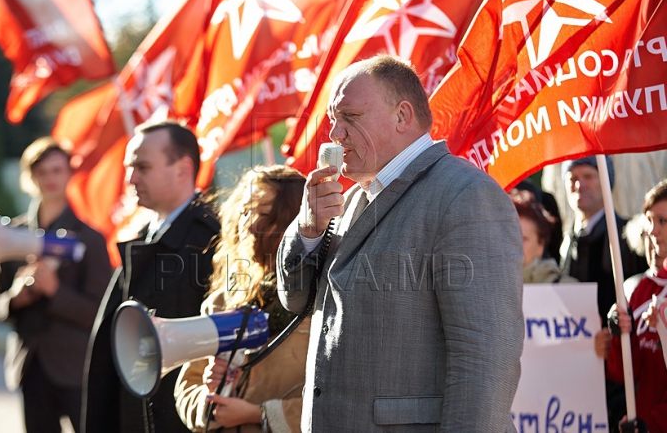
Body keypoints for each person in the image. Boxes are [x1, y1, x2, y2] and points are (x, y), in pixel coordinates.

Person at [277, 55, 524, 432]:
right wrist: (309, 231)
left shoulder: (466, 195)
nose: (335, 135)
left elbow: (485, 361)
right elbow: (297, 300)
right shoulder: (355, 199)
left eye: (351, 118)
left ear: (402, 117)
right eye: (333, 120)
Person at [82, 120, 220, 433]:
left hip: (174, 419)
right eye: (130, 167)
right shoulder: (147, 234)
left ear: (183, 169)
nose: (130, 178)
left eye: (142, 167)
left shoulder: (210, 240)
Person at [0, 137, 112, 433]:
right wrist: (18, 297)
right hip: (31, 367)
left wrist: (55, 291)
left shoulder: (90, 239)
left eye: (57, 170)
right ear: (30, 178)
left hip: (76, 369)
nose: (50, 179)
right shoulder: (10, 237)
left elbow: (99, 313)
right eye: (42, 172)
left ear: (69, 174)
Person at [174, 165, 308, 433]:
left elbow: (341, 400)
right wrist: (212, 397)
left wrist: (259, 415)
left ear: (294, 221)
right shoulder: (221, 302)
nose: (247, 224)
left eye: (264, 214)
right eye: (245, 211)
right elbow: (186, 389)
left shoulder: (320, 301)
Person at [606, 179, 667, 432]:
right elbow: (623, 374)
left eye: (663, 221)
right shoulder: (641, 289)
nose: (653, 232)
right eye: (650, 221)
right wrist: (620, 333)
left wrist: (653, 425)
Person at [560, 156, 648, 324]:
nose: (579, 185)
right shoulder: (563, 243)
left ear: (606, 181)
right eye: (572, 178)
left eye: (588, 176)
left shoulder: (631, 238)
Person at [510, 189, 577, 284]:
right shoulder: (488, 288)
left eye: (523, 239)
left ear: (541, 245)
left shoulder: (570, 290)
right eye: (508, 239)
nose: (514, 245)